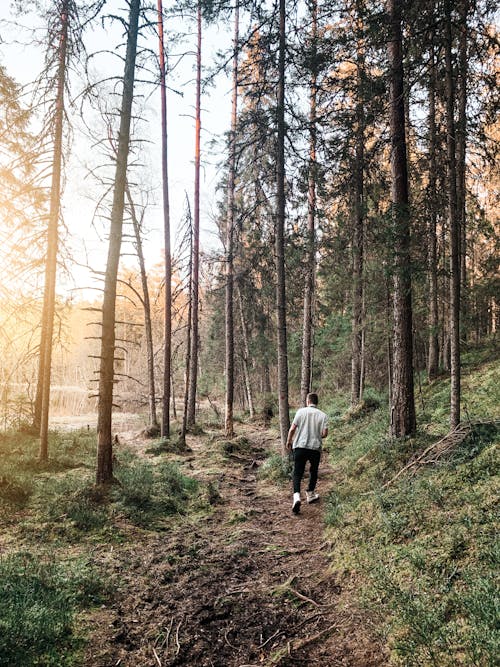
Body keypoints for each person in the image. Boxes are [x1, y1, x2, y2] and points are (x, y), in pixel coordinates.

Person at [286, 392, 328, 514]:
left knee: (297, 473)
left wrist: (289, 441)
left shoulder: (300, 412)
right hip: (315, 448)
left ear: (308, 401)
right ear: (316, 402)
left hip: (300, 446)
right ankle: (310, 494)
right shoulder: (323, 415)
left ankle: (297, 497)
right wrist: (317, 434)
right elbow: (325, 433)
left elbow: (293, 428)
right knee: (313, 471)